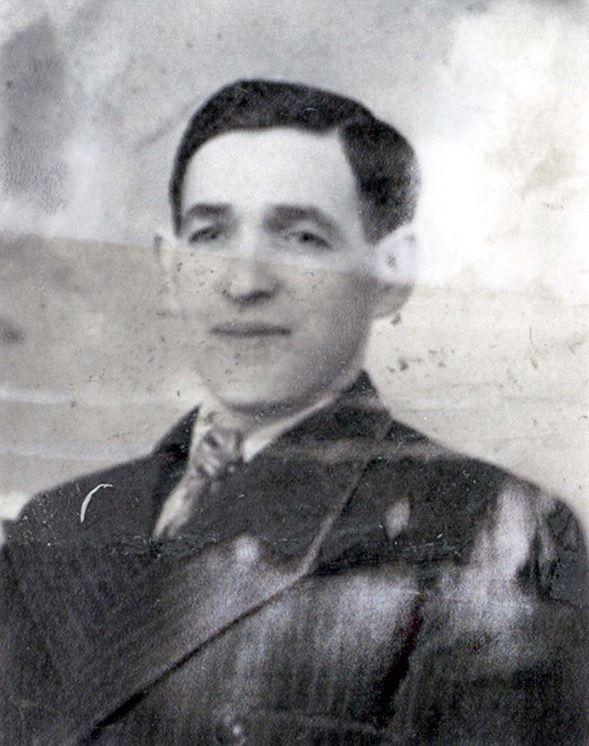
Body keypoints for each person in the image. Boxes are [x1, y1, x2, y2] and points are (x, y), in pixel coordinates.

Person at [1, 79, 587, 745]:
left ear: (391, 271)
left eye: (302, 237)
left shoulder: (492, 526)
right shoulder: (56, 524)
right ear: (169, 266)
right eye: (210, 234)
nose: (244, 282)